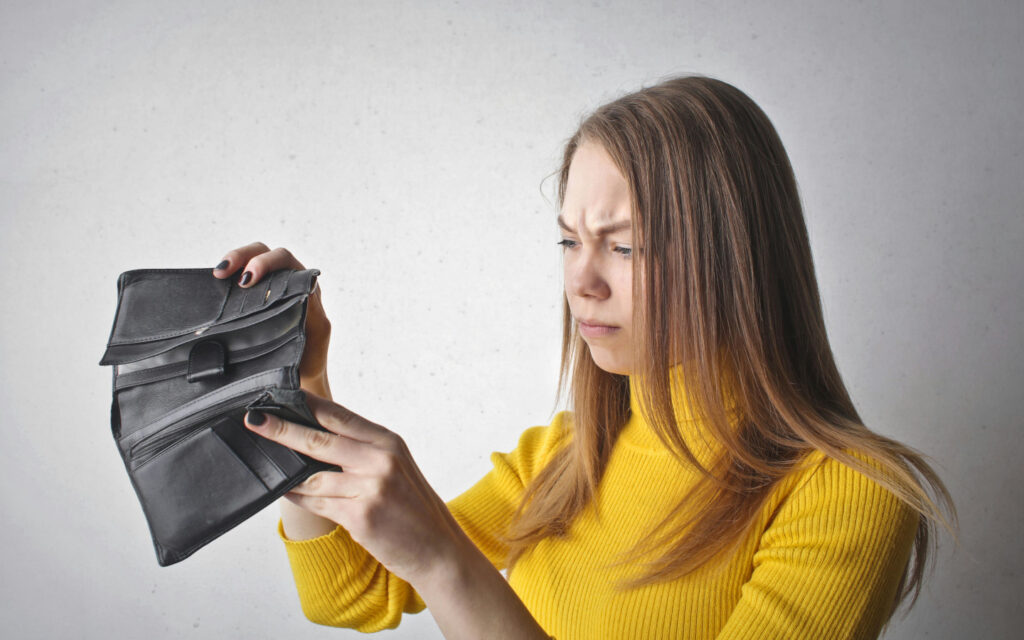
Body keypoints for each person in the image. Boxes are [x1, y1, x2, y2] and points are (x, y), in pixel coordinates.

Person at [212, 75, 956, 639]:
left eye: (624, 245)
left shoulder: (850, 494)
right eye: (569, 240)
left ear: (736, 261)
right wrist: (297, 381)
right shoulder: (567, 455)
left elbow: (424, 568)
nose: (580, 281)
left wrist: (446, 560)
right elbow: (348, 593)